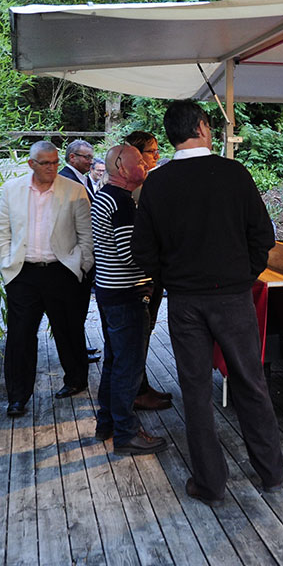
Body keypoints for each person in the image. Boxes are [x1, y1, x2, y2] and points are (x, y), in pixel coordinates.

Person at [131, 100, 283, 504]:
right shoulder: (234, 174)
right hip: (234, 298)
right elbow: (263, 239)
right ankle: (271, 470)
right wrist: (243, 275)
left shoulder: (157, 183)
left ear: (171, 136)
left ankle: (210, 483)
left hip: (185, 301)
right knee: (250, 383)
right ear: (202, 127)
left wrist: (170, 279)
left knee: (196, 391)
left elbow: (143, 252)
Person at [0, 141, 93, 416]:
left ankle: (75, 380)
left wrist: (82, 265)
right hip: (23, 273)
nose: (52, 167)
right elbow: (1, 231)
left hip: (62, 270)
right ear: (31, 164)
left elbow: (87, 235)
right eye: (45, 163)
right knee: (20, 335)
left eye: (55, 162)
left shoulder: (74, 190)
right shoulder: (12, 190)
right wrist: (6, 262)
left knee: (68, 330)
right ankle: (17, 396)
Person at [92, 144, 168, 455]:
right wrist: (164, 261)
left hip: (110, 293)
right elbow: (130, 255)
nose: (148, 164)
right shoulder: (122, 202)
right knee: (129, 366)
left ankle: (107, 421)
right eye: (140, 160)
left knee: (114, 362)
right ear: (122, 167)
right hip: (127, 295)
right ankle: (126, 432)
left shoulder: (104, 196)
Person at [123, 130, 172, 411]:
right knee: (138, 332)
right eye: (152, 151)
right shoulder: (135, 185)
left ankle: (140, 386)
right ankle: (136, 391)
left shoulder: (147, 182)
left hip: (152, 269)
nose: (157, 155)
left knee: (145, 329)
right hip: (140, 272)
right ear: (135, 153)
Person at [60, 139, 100, 362]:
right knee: (73, 308)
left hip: (82, 254)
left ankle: (79, 347)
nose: (90, 161)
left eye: (91, 157)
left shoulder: (81, 179)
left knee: (79, 307)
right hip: (74, 255)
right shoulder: (66, 180)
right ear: (72, 157)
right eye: (86, 157)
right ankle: (75, 353)